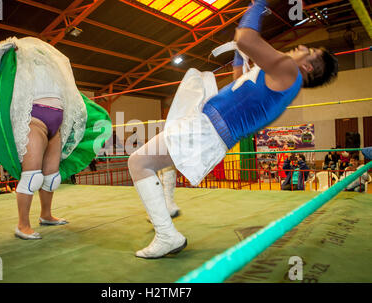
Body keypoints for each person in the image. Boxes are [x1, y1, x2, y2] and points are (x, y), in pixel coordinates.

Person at [127, 0, 338, 259]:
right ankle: (167, 211)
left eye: (311, 50)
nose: (303, 47)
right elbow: (240, 80)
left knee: (138, 163)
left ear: (307, 67)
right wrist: (239, 55)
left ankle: (167, 234)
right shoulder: (284, 77)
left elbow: (247, 37)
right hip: (208, 128)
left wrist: (258, 4)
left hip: (208, 130)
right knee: (146, 161)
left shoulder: (288, 70)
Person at [0, 36, 111, 240]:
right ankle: (22, 225)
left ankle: (46, 215)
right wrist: (2, 47)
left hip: (57, 122)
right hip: (33, 120)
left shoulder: (57, 67)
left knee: (51, 178)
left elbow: (72, 95)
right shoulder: (15, 60)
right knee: (32, 177)